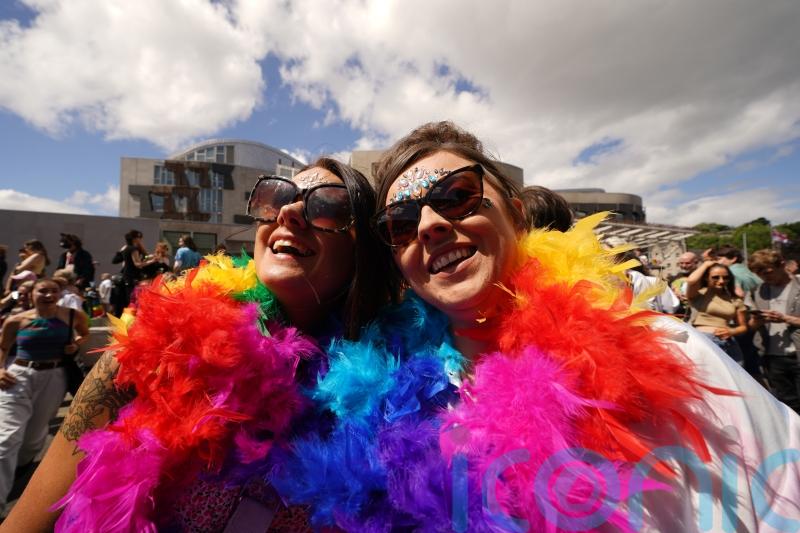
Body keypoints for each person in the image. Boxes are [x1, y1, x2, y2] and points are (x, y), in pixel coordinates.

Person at [269, 122, 800, 530]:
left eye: (457, 196)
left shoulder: (669, 354)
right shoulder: (385, 408)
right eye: (401, 224)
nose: (430, 225)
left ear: (518, 217)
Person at [1, 158, 392, 532]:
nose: (289, 213)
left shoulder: (394, 389)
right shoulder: (159, 345)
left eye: (326, 206)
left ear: (366, 250)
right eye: (276, 198)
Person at [0, 279, 89, 517]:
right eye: (43, 290)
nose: (48, 294)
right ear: (32, 293)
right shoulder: (15, 320)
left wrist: (75, 345)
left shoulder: (72, 316)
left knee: (33, 441)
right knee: (7, 439)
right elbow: (3, 348)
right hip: (18, 377)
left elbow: (84, 334)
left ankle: (16, 471)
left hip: (54, 377)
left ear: (59, 294)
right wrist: (0, 370)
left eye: (53, 290)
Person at [747, 249, 800, 413]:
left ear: (782, 265)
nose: (765, 277)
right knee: (787, 404)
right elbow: (751, 326)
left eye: (768, 272)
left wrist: (786, 319)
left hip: (797, 352)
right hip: (773, 357)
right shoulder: (757, 291)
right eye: (759, 274)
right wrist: (756, 321)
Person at [685, 261, 748, 364]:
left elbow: (743, 327)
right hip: (704, 341)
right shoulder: (699, 294)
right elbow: (691, 281)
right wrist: (706, 264)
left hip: (728, 342)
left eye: (726, 277)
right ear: (706, 277)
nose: (721, 281)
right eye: (715, 277)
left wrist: (732, 331)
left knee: (733, 378)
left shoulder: (734, 299)